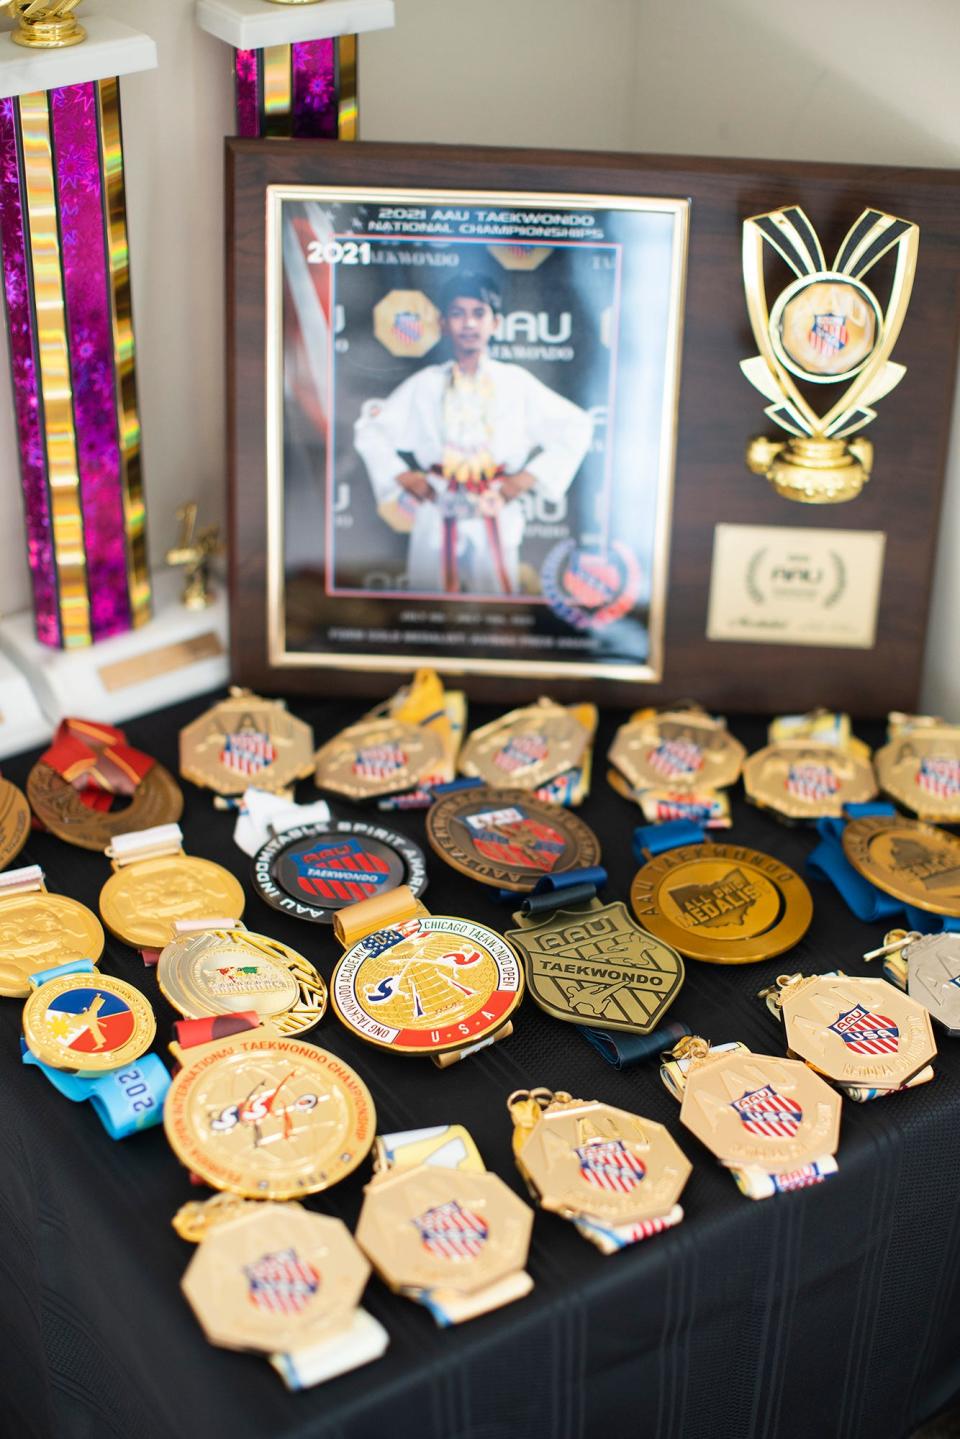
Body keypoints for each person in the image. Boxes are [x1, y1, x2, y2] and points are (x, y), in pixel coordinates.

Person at [354, 270, 592, 595]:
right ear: (442, 323)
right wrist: (406, 478)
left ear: (495, 323)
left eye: (479, 314)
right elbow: (371, 432)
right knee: (429, 598)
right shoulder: (426, 384)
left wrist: (519, 482)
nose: (468, 324)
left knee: (495, 600)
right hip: (439, 502)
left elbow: (576, 426)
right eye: (458, 314)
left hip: (493, 503)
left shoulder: (515, 383)